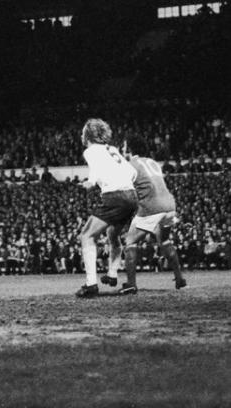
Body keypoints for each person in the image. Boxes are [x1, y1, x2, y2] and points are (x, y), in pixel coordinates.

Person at [75, 118, 137, 298]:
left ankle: (91, 284)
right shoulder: (112, 149)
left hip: (114, 196)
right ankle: (112, 273)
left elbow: (95, 169)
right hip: (131, 196)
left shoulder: (90, 150)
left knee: (87, 235)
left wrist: (91, 182)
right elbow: (132, 173)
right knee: (113, 235)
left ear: (88, 135)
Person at [117, 135, 187, 295]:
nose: (122, 150)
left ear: (130, 150)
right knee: (164, 240)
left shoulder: (129, 165)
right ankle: (179, 279)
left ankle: (131, 283)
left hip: (151, 206)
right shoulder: (152, 162)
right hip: (170, 205)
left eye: (124, 147)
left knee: (130, 241)